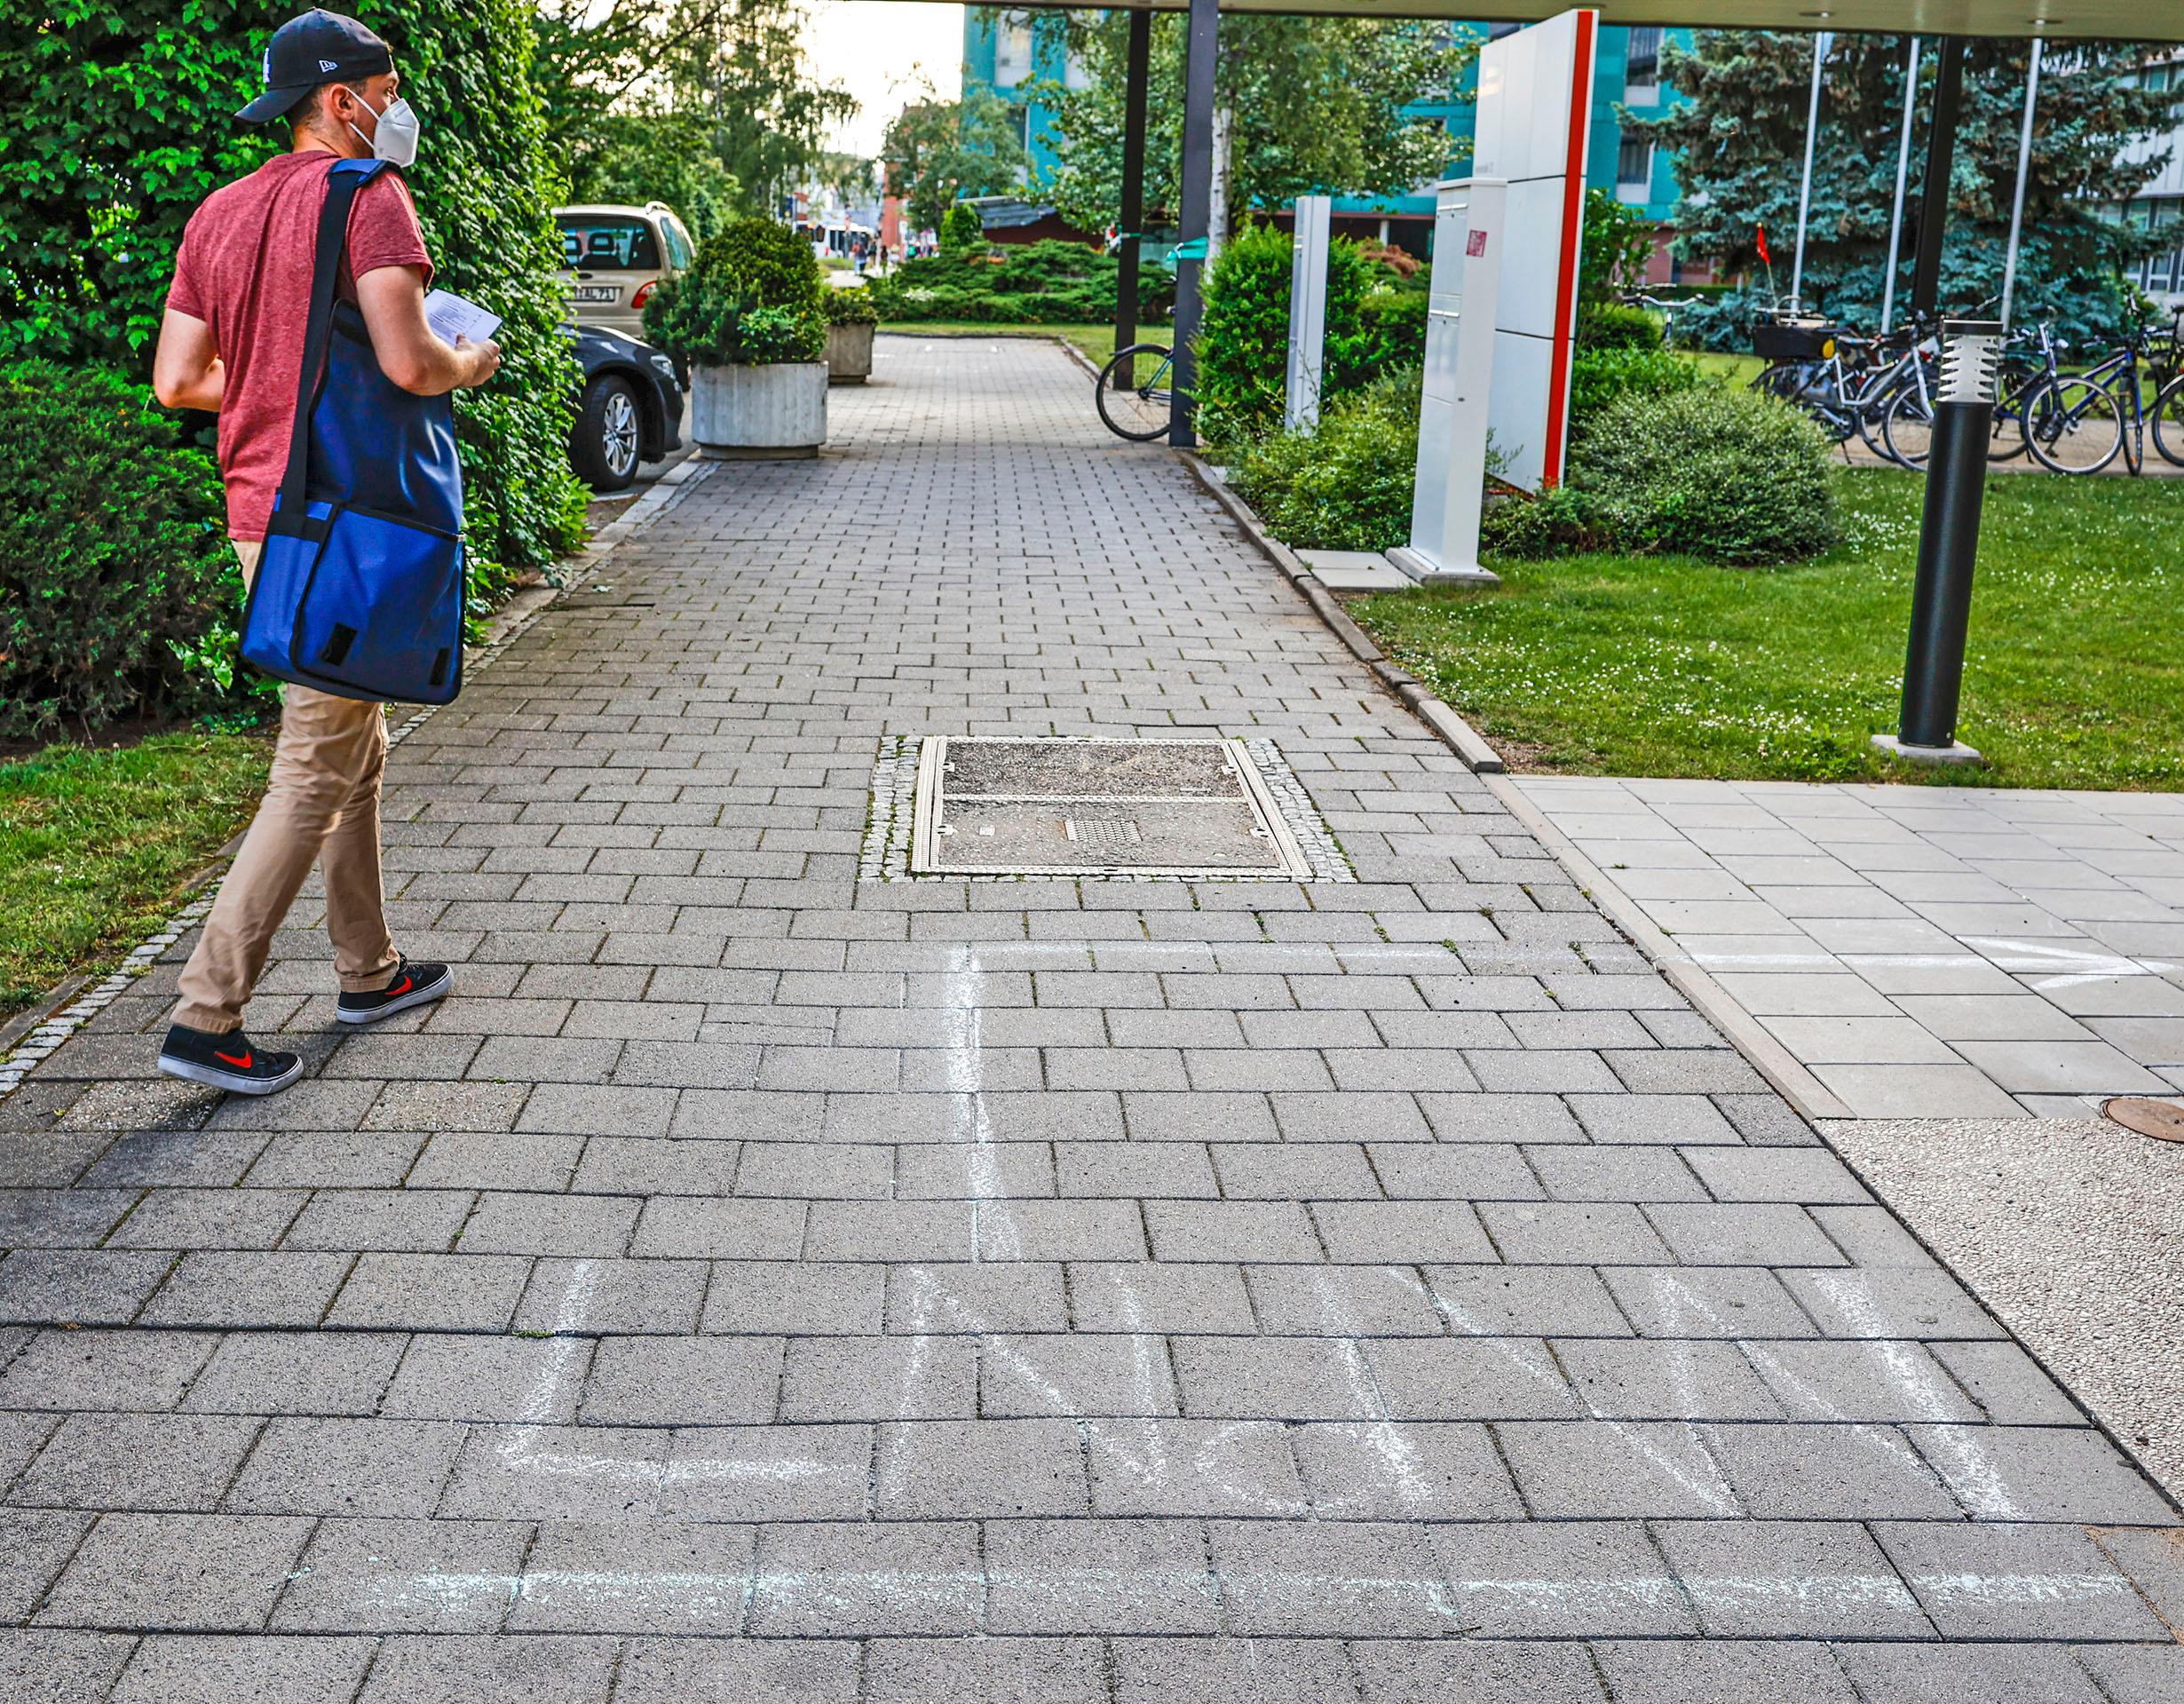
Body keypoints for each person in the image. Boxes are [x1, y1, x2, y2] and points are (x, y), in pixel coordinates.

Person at [150, 8, 498, 1095]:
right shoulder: (368, 198)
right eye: (385, 93)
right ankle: (207, 1015)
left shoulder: (219, 211)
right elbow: (408, 362)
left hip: (262, 517)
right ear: (342, 101)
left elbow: (178, 381)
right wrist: (472, 358)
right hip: (350, 518)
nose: (395, 110)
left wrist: (267, 397)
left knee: (353, 741)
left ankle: (370, 968)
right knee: (315, 759)